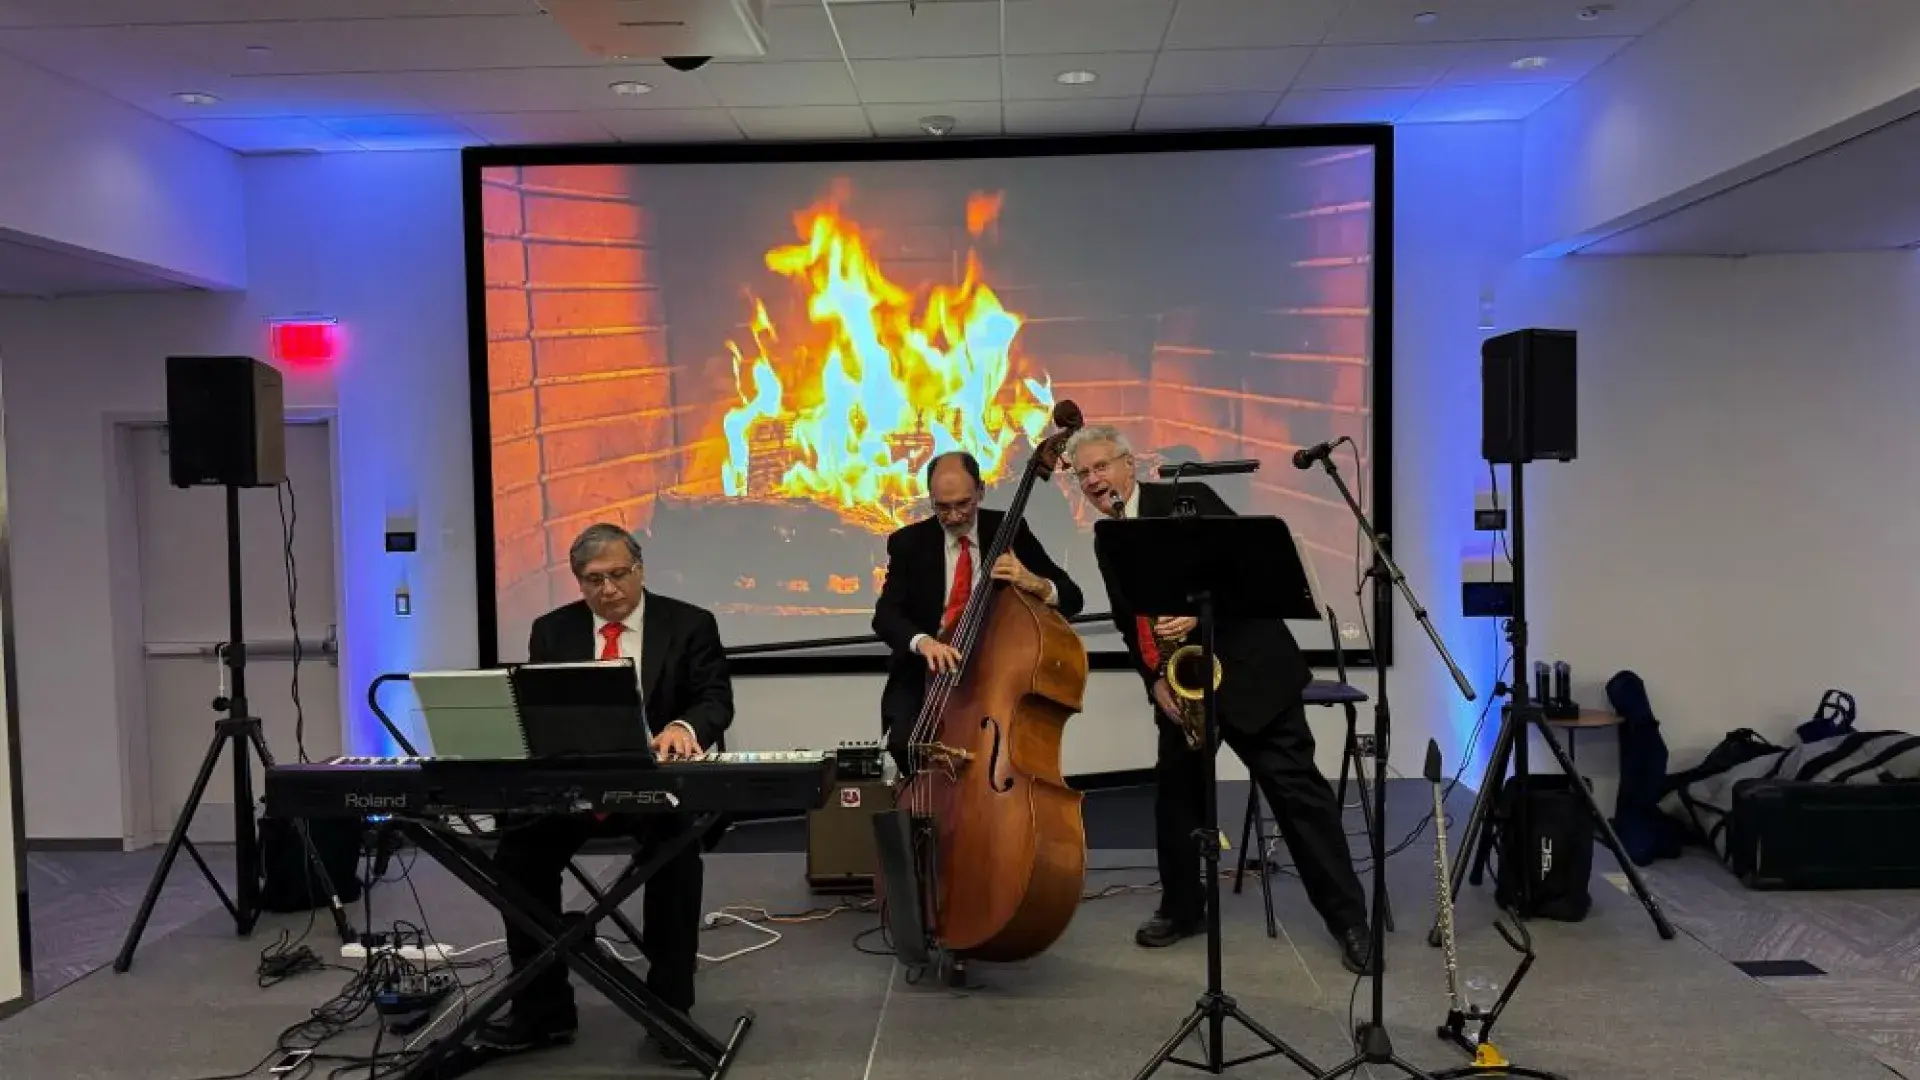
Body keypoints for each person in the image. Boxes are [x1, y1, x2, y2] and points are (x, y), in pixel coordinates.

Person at [1063, 425, 1371, 975]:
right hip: (1184, 686)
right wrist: (1154, 681)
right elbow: (1126, 619)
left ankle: (1350, 922)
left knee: (1302, 801)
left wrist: (1205, 613)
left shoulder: (1187, 499)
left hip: (1253, 676)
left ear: (1129, 464)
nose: (1092, 480)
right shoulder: (1107, 537)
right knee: (1176, 801)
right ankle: (1182, 910)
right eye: (1082, 473)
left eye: (1101, 466)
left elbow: (1254, 573)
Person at [479, 522, 734, 1060]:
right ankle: (542, 1011)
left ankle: (669, 1007)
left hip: (654, 786)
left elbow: (714, 701)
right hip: (577, 788)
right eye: (593, 580)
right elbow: (541, 711)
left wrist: (683, 730)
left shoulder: (689, 624)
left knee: (675, 856)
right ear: (578, 582)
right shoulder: (552, 631)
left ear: (639, 569)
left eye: (619, 575)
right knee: (518, 857)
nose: (609, 589)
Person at [872, 450, 1085, 775]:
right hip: (925, 676)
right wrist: (924, 642)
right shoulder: (908, 543)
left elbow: (1072, 597)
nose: (955, 516)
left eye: (963, 504)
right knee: (906, 746)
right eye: (942, 507)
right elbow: (886, 616)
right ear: (930, 499)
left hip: (994, 675)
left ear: (981, 492)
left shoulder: (1009, 529)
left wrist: (1033, 582)